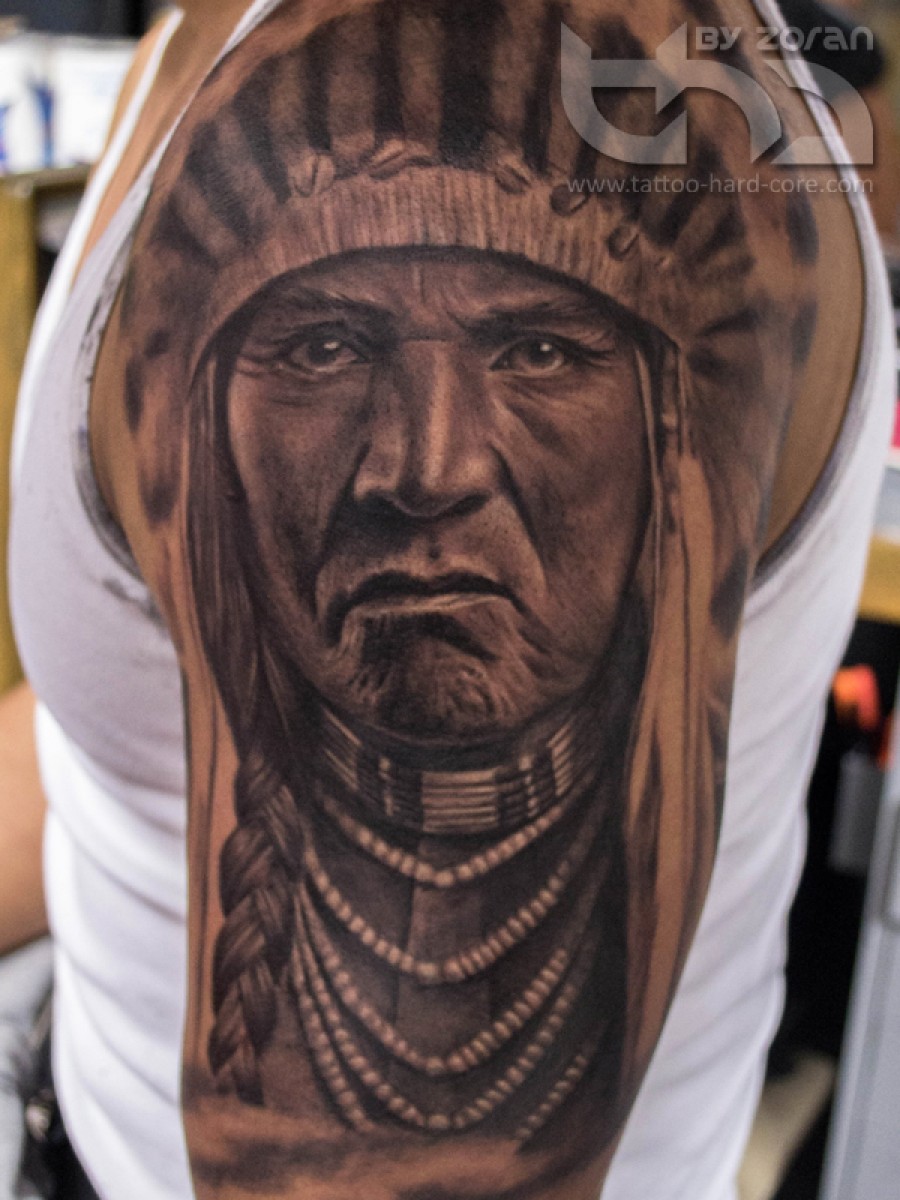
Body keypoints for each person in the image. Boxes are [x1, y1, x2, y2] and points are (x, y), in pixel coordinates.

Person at [2, 0, 895, 1197]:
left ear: (663, 430)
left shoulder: (461, 59)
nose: (424, 471)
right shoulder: (191, 43)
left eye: (538, 352)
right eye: (327, 350)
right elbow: (120, 732)